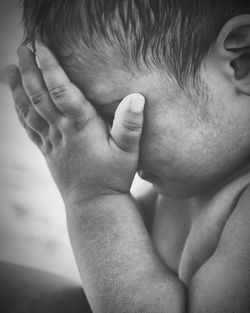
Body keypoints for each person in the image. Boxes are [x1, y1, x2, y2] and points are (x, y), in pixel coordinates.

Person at [3, 0, 250, 312]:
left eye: (112, 115)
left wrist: (93, 196)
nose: (95, 147)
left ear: (243, 61)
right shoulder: (185, 183)